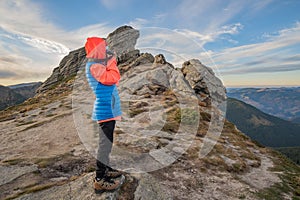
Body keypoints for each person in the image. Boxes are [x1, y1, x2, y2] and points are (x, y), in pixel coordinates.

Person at [85, 37, 123, 193]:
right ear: (97, 49)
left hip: (109, 110)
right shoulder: (94, 66)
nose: (107, 49)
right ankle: (100, 179)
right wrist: (112, 60)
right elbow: (113, 78)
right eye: (104, 47)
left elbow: (113, 81)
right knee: (104, 145)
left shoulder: (98, 64)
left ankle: (106, 169)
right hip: (105, 111)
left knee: (107, 143)